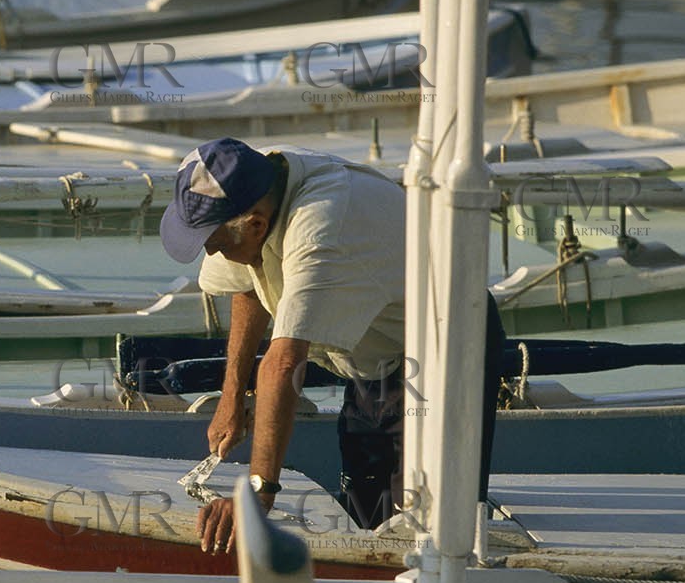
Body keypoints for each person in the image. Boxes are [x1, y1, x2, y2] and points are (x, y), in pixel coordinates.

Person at [157, 137, 504, 556]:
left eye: (215, 245)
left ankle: (449, 580)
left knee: (427, 527)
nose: (212, 252)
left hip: (451, 345)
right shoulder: (256, 185)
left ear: (256, 226)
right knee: (364, 507)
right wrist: (231, 396)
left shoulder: (321, 228)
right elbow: (247, 287)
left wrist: (258, 494)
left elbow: (285, 363)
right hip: (376, 356)